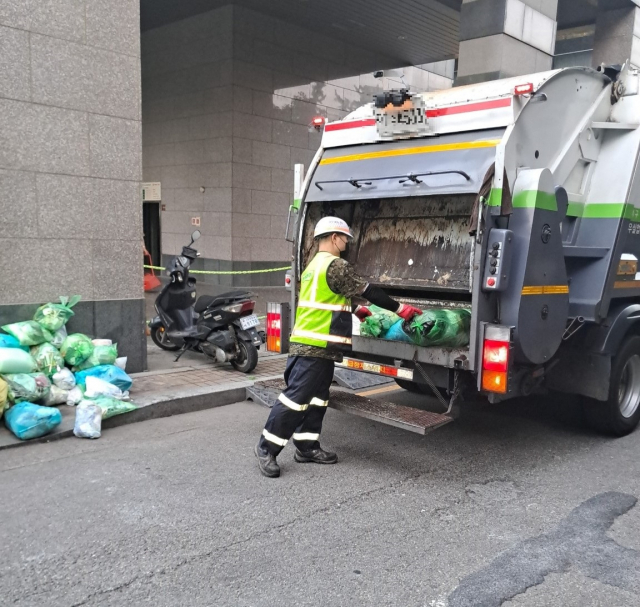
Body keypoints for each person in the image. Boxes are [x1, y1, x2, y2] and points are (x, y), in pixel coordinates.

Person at [255, 216, 422, 478]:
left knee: (319, 397)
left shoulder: (314, 265)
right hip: (313, 345)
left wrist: (355, 309)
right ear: (334, 237)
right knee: (296, 398)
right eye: (345, 238)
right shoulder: (337, 266)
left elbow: (327, 296)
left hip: (317, 346)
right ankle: (267, 449)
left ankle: (307, 447)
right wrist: (401, 309)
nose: (347, 243)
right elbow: (371, 291)